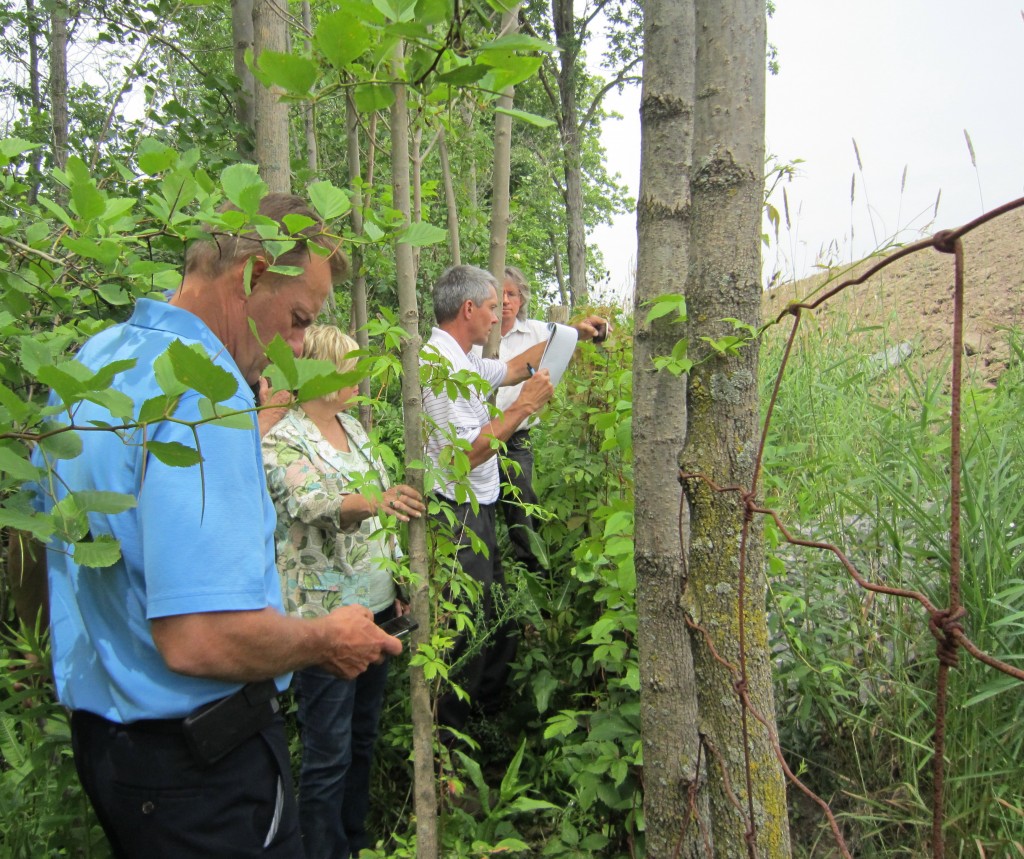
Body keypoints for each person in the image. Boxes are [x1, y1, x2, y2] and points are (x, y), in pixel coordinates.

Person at [27, 193, 404, 858]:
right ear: (252, 273)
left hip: (109, 750)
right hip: (203, 771)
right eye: (296, 320)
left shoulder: (91, 366)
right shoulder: (207, 401)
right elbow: (199, 638)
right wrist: (323, 639)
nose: (293, 347)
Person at [262, 324, 425, 859]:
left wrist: (398, 578)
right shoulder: (282, 436)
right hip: (324, 618)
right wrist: (374, 500)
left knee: (361, 739)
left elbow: (386, 513)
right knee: (327, 751)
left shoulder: (354, 429)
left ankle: (353, 842)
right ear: (322, 372)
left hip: (375, 610)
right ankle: (323, 850)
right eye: (349, 367)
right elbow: (310, 502)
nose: (359, 378)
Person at [421, 265, 604, 738]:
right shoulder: (439, 367)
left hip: (476, 506)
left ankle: (487, 717)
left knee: (496, 611)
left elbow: (514, 367)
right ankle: (450, 742)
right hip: (456, 510)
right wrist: (524, 406)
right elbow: (462, 456)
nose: (496, 316)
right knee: (470, 624)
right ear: (467, 310)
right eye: (489, 307)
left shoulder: (461, 359)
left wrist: (572, 337)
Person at [482, 266, 608, 575]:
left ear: (522, 299)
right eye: (501, 295)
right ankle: (490, 578)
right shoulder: (478, 336)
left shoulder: (539, 332)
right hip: (479, 436)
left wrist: (600, 328)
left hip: (515, 441)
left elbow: (573, 336)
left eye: (512, 294)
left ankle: (535, 577)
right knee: (480, 512)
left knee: (521, 509)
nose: (506, 301)